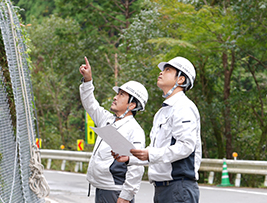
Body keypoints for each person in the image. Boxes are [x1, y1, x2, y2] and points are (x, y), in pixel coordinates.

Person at [113, 56, 202, 203]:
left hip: (179, 188)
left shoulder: (184, 107)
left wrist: (149, 154)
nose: (161, 73)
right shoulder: (162, 112)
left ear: (180, 79)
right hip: (162, 189)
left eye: (168, 70)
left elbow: (186, 146)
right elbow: (156, 151)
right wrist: (130, 158)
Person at [79, 56, 148, 203]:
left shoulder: (134, 130)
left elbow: (137, 165)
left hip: (116, 192)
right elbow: (90, 104)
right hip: (102, 189)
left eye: (121, 95)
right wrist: (87, 81)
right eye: (117, 93)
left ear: (132, 105)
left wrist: (126, 196)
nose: (115, 97)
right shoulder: (107, 120)